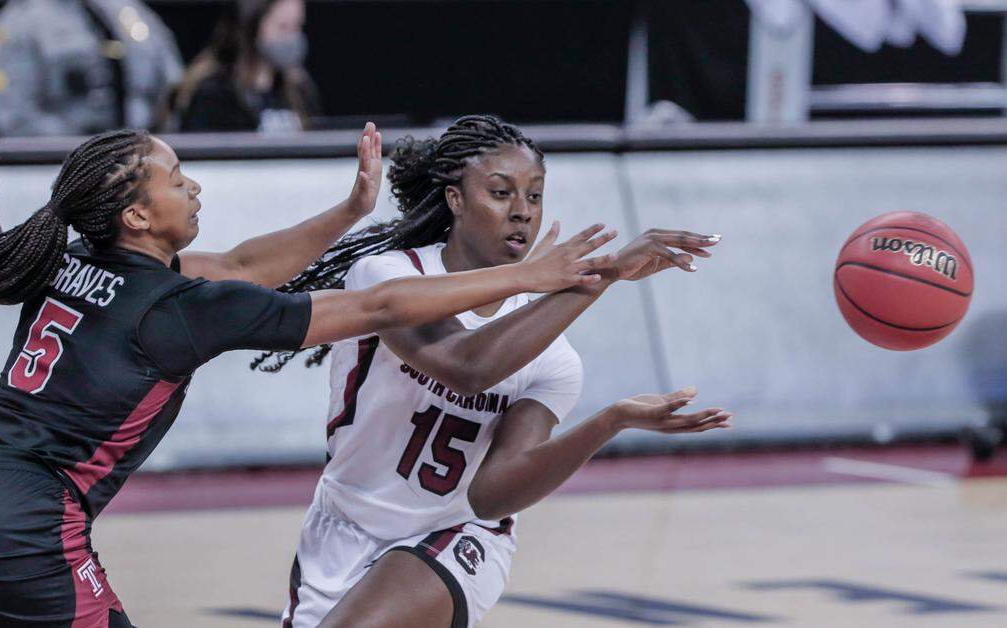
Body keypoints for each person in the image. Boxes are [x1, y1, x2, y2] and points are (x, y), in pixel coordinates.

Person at [0, 123, 614, 627]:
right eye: (175, 179)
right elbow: (379, 305)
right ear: (136, 217)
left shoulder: (70, 260)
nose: (193, 188)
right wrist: (536, 275)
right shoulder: (184, 310)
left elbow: (242, 264)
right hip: (16, 522)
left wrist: (349, 210)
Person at [267, 115, 731, 628]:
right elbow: (465, 366)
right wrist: (596, 277)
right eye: (501, 192)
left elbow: (492, 496)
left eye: (534, 196)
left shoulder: (553, 358)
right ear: (455, 199)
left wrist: (611, 420)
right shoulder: (386, 275)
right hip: (342, 524)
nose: (522, 212)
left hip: (456, 536)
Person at [0, 0, 184, 136]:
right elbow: (16, 118)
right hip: (65, 167)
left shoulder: (129, 10)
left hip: (147, 156)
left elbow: (174, 83)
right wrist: (87, 158)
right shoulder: (16, 25)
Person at [172, 0, 320, 133]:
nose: (292, 38)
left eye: (297, 26)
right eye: (283, 27)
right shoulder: (213, 93)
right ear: (252, 26)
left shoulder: (298, 90)